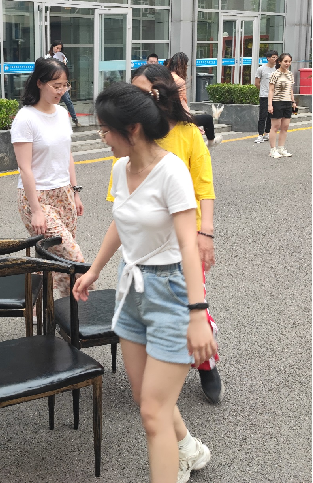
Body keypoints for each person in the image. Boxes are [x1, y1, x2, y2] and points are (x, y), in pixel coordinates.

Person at [74, 81, 217, 483]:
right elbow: (121, 222)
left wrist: (197, 314)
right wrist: (94, 270)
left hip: (170, 291)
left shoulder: (171, 171)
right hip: (132, 287)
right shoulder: (120, 169)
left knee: (153, 414)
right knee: (145, 399)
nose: (102, 137)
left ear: (132, 129)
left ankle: (178, 460)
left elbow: (188, 246)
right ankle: (189, 448)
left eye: (105, 130)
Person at [107, 64, 223, 404]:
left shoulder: (187, 133)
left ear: (160, 93)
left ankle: (206, 363)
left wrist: (206, 233)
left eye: (142, 92)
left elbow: (204, 185)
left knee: (193, 301)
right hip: (146, 244)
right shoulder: (128, 142)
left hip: (184, 237)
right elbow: (122, 203)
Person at [11, 57, 85, 298]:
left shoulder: (62, 114)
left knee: (57, 264)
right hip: (37, 197)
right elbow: (25, 168)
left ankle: (55, 311)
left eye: (65, 85)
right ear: (40, 83)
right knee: (74, 258)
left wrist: (75, 192)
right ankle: (82, 305)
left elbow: (67, 155)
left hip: (64, 193)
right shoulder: (26, 118)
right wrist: (36, 210)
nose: (61, 91)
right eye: (56, 86)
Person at [167, 52, 222, 148]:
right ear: (182, 65)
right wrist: (191, 121)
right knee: (208, 119)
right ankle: (210, 143)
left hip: (165, 116)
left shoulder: (165, 77)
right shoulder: (179, 81)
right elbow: (182, 104)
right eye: (186, 65)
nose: (186, 68)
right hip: (177, 118)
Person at [268, 52, 297, 159]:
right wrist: (270, 105)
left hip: (287, 102)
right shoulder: (274, 74)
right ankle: (273, 150)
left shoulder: (290, 74)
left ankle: (281, 148)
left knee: (285, 127)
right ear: (279, 62)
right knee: (275, 127)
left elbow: (290, 90)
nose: (287, 63)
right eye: (285, 61)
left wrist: (293, 102)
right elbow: (271, 90)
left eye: (289, 61)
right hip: (277, 102)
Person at [44, 41, 80, 127]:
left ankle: (75, 119)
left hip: (61, 83)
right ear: (53, 47)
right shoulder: (47, 57)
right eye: (57, 48)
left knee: (68, 101)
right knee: (52, 102)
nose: (58, 50)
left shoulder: (62, 57)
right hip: (52, 84)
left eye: (60, 49)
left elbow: (65, 70)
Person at [254, 50, 279, 144]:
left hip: (275, 96)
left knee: (270, 116)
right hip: (264, 96)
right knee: (262, 116)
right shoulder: (261, 69)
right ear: (268, 58)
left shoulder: (277, 69)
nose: (275, 59)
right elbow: (257, 83)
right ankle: (260, 135)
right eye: (273, 57)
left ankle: (267, 133)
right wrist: (263, 90)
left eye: (276, 57)